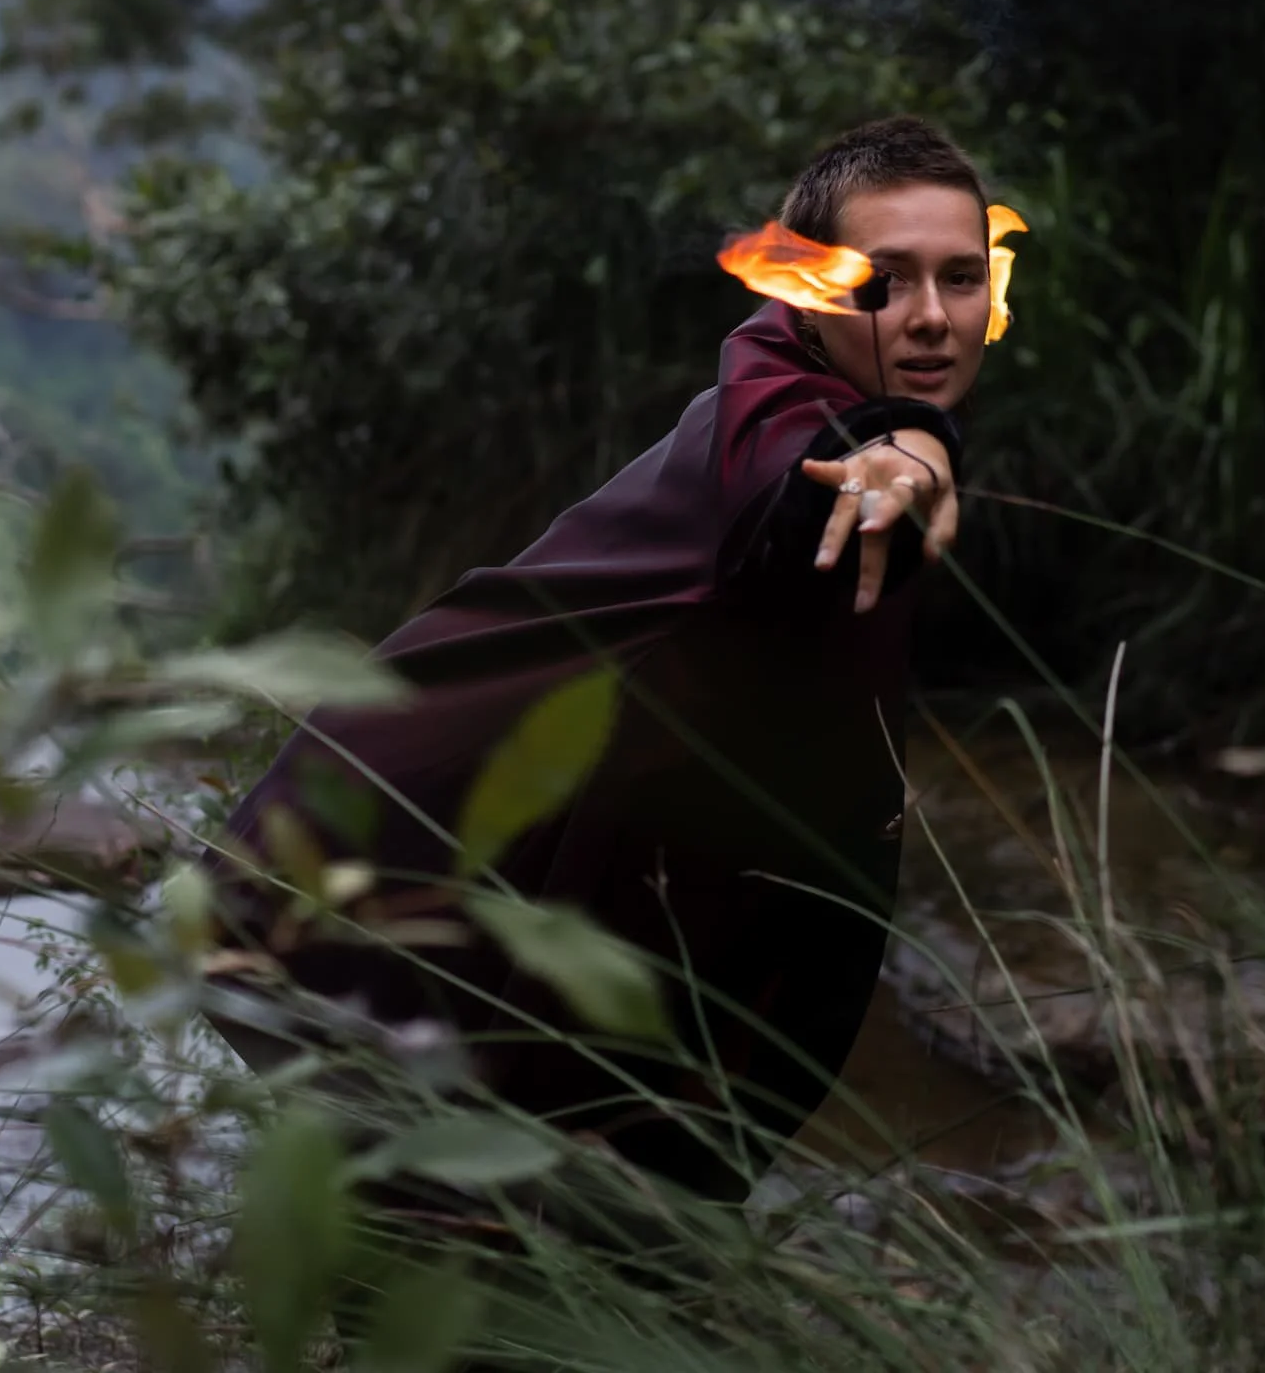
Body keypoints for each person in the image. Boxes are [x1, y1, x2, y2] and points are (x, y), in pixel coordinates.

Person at [198, 115, 1007, 1320]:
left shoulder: (802, 403)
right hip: (360, 933)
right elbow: (807, 481)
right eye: (883, 281)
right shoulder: (779, 416)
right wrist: (909, 453)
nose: (931, 316)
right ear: (806, 295)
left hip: (482, 942)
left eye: (960, 277)